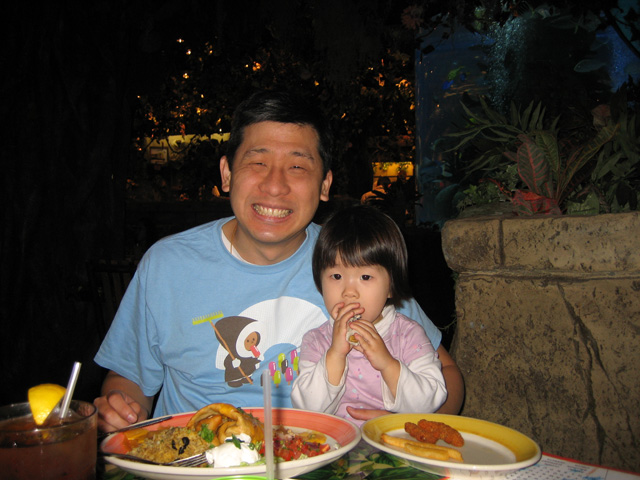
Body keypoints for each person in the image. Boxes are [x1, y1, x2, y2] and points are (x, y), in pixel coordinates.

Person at [93, 90, 464, 433]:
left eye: (298, 167)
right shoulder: (167, 265)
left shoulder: (355, 260)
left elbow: (446, 374)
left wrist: (413, 429)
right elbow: (129, 382)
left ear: (324, 185)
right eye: (257, 162)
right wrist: (121, 409)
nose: (275, 186)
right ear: (226, 173)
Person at [291, 206, 447, 424]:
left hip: (393, 445)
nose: (349, 291)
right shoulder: (317, 340)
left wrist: (387, 364)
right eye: (336, 275)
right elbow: (307, 408)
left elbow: (430, 401)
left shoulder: (408, 335)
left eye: (365, 277)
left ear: (391, 286)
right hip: (336, 448)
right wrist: (335, 354)